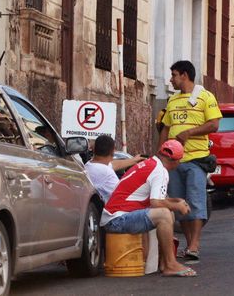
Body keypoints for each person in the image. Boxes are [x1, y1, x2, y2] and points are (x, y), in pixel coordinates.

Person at [100, 139, 197, 277]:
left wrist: (177, 201)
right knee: (164, 214)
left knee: (168, 212)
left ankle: (164, 263)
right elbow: (156, 203)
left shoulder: (151, 164)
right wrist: (177, 206)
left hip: (115, 216)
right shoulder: (160, 171)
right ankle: (170, 264)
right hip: (117, 220)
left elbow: (155, 199)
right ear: (176, 161)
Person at [158, 60, 221, 261]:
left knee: (195, 202)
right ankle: (189, 244)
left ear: (184, 75)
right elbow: (165, 129)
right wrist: (160, 156)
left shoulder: (205, 97)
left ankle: (195, 244)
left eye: (174, 75)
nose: (171, 80)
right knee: (178, 204)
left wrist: (189, 133)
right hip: (173, 161)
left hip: (196, 159)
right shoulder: (172, 100)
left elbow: (214, 125)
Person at [84, 135, 144, 202]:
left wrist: (134, 160)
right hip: (113, 210)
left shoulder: (89, 164)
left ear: (94, 149)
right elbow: (124, 195)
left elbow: (113, 164)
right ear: (113, 152)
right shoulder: (106, 172)